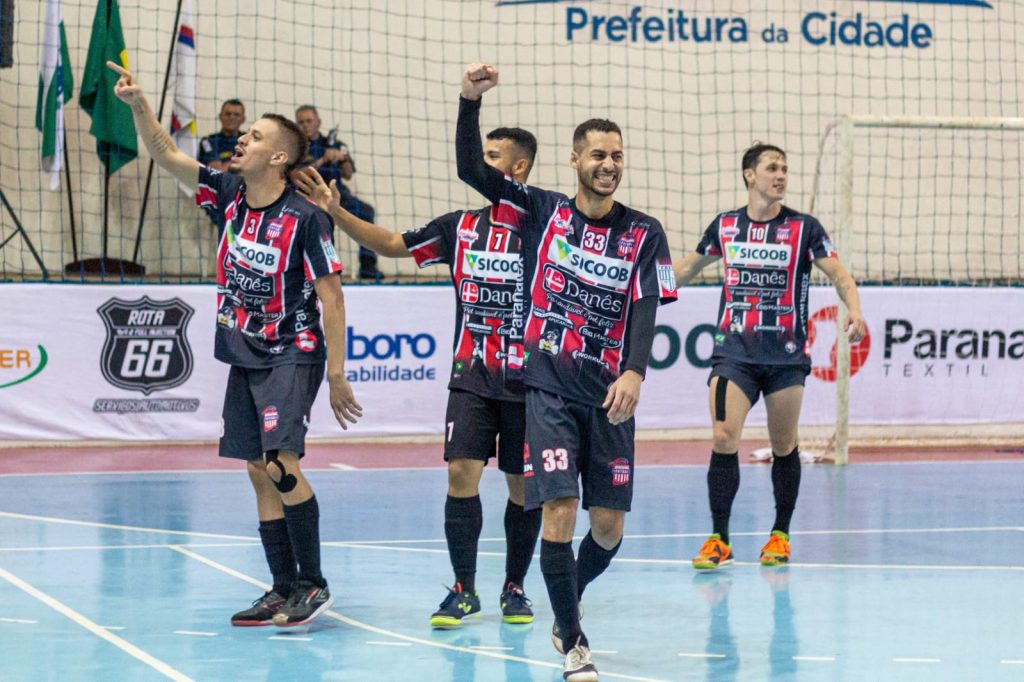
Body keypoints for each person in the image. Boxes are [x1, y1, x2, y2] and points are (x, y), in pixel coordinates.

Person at [108, 61, 362, 627]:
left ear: (278, 157)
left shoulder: (304, 219)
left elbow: (334, 297)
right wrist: (137, 105)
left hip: (292, 351)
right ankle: (280, 587)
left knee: (280, 462)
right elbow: (165, 155)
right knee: (255, 467)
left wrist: (338, 373)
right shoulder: (226, 193)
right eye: (242, 135)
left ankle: (314, 583)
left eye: (253, 137)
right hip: (243, 351)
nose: (240, 141)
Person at [456, 63, 677, 682]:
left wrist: (634, 371)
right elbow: (472, 170)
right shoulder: (540, 210)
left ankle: (564, 602)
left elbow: (645, 304)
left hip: (609, 396)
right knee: (558, 510)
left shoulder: (645, 232)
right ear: (575, 158)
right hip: (547, 386)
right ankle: (575, 643)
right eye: (598, 154)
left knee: (607, 529)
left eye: (617, 155)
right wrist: (470, 101)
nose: (609, 163)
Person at [293, 126, 543, 630]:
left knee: (521, 486)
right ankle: (464, 588)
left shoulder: (541, 223)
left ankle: (515, 587)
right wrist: (336, 211)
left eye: (491, 156)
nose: (479, 160)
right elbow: (390, 244)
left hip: (529, 380)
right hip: (471, 376)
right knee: (460, 475)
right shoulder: (460, 227)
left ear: (517, 170)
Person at [673, 142, 866, 571]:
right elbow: (687, 267)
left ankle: (780, 534)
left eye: (784, 168)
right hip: (733, 354)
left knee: (783, 445)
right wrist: (643, 292)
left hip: (785, 359)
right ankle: (719, 538)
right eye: (772, 168)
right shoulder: (725, 226)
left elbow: (838, 273)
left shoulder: (805, 228)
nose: (780, 175)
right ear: (749, 175)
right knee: (724, 437)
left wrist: (853, 308)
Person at [295, 105, 383, 281]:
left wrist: (342, 159)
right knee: (318, 222)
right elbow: (297, 176)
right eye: (301, 122)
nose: (305, 125)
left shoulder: (335, 144)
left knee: (366, 211)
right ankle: (314, 269)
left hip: (337, 194)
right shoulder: (296, 147)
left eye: (309, 121)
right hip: (309, 196)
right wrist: (323, 160)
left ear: (318, 122)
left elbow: (348, 174)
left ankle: (368, 266)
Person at [198, 99, 245, 171]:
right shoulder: (207, 141)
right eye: (228, 114)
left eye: (236, 115)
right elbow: (216, 170)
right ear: (220, 116)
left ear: (243, 119)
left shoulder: (248, 140)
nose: (232, 117)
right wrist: (242, 163)